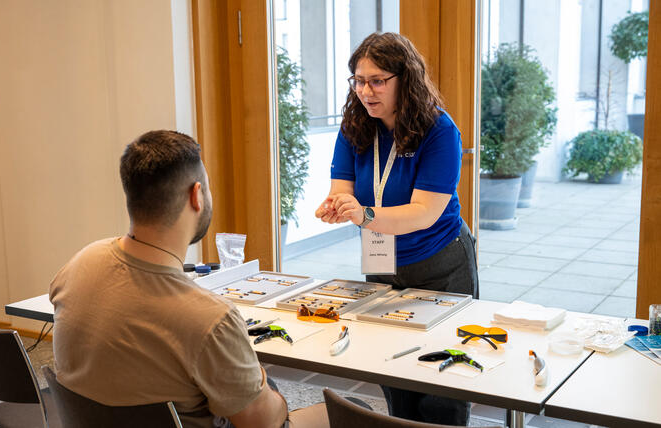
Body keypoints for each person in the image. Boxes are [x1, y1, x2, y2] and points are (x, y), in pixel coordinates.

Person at [50, 130, 328, 428]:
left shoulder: (79, 264)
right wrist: (261, 379)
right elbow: (263, 423)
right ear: (196, 196)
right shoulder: (212, 320)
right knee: (348, 410)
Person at [315, 33, 479, 425]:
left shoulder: (439, 130)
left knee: (443, 380)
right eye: (358, 80)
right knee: (392, 370)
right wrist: (338, 205)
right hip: (383, 263)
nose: (365, 91)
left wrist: (364, 215)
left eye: (376, 80)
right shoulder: (356, 125)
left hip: (441, 264)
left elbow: (425, 212)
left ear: (404, 80)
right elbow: (343, 189)